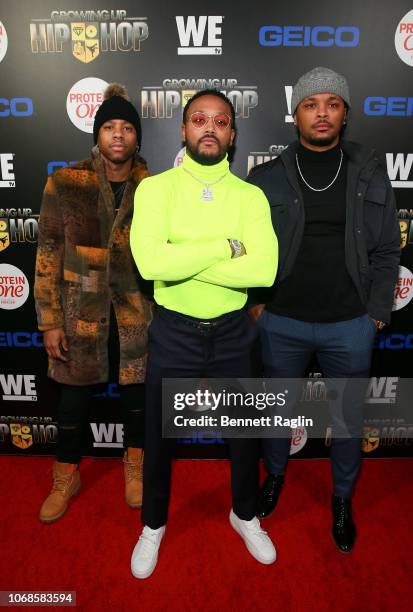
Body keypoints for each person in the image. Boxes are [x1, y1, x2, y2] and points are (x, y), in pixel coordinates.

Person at [247, 67, 400, 552]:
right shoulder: (266, 176)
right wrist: (257, 305)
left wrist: (375, 314)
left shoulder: (370, 169)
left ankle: (342, 499)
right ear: (295, 114)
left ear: (345, 115)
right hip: (282, 322)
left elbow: (387, 250)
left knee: (348, 419)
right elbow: (247, 246)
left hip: (349, 325)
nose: (322, 114)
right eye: (312, 105)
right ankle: (273, 476)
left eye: (332, 105)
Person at [129, 89, 278, 578]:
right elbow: (151, 263)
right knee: (159, 435)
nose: (209, 128)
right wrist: (226, 246)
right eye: (199, 119)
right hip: (174, 332)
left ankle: (245, 513)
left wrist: (185, 257)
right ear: (183, 130)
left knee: (243, 436)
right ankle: (153, 524)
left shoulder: (250, 195)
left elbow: (266, 269)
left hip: (235, 332)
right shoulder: (155, 189)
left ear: (233, 133)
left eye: (220, 121)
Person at [34, 83, 152, 523]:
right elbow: (47, 251)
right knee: (71, 406)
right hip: (77, 313)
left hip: (135, 313)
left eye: (126, 127)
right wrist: (49, 320)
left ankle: (135, 466)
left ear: (137, 138)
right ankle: (66, 476)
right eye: (109, 126)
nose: (118, 135)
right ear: (97, 134)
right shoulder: (65, 181)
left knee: (137, 399)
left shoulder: (154, 188)